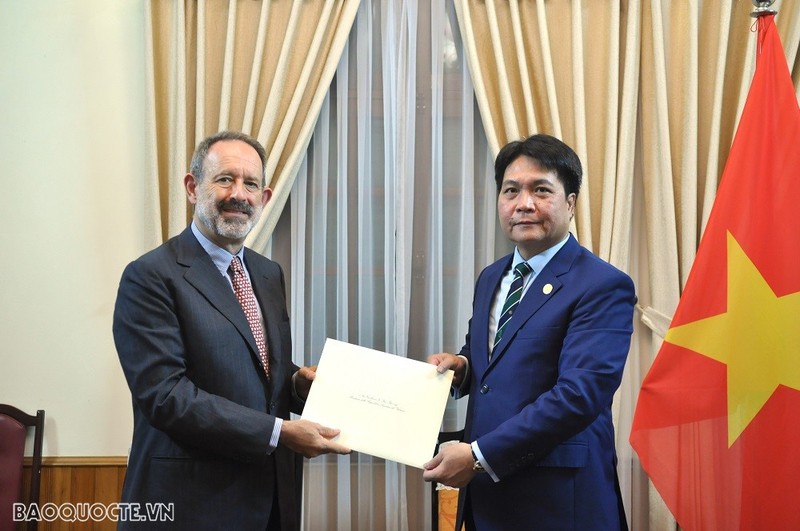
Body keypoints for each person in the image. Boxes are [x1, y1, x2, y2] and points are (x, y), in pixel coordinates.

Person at [113, 131, 350, 530]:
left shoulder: (267, 273)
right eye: (225, 179)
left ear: (265, 198)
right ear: (192, 187)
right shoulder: (150, 276)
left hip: (272, 499)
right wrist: (280, 432)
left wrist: (297, 384)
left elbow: (261, 367)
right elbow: (166, 396)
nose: (238, 193)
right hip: (192, 505)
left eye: (251, 183)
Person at [422, 134, 635, 530]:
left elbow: (578, 396)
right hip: (488, 497)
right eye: (511, 191)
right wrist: (463, 365)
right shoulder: (492, 277)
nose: (524, 204)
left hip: (558, 500)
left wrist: (477, 456)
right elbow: (495, 355)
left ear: (570, 202)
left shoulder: (603, 285)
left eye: (541, 190)